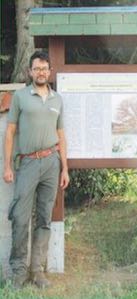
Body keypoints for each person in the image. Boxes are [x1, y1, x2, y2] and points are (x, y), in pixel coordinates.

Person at [3, 51, 70, 289]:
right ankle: (19, 273)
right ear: (30, 72)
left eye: (44, 68)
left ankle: (37, 271)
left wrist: (65, 168)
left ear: (49, 72)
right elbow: (10, 131)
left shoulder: (57, 99)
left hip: (51, 163)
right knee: (20, 218)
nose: (41, 72)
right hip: (28, 163)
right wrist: (8, 166)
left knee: (43, 218)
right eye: (36, 68)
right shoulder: (21, 97)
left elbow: (61, 135)